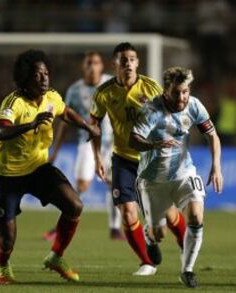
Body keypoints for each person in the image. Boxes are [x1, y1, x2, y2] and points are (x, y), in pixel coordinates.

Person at [0, 49, 100, 284]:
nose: (44, 78)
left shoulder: (51, 97)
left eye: (46, 73)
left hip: (38, 168)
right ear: (26, 77)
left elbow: (66, 112)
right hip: (7, 175)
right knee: (7, 240)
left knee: (74, 205)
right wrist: (30, 125)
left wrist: (87, 127)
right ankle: (3, 265)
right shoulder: (14, 102)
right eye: (38, 75)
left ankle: (56, 257)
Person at [90, 42, 186, 276]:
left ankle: (187, 249)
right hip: (122, 159)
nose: (128, 63)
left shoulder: (151, 88)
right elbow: (94, 125)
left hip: (151, 160)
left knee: (168, 216)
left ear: (138, 63)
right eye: (123, 60)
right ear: (115, 64)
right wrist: (96, 158)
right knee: (127, 211)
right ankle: (147, 263)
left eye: (132, 59)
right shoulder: (104, 93)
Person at [129, 67, 223, 288]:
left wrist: (216, 166)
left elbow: (212, 135)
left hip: (184, 172)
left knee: (196, 216)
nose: (181, 97)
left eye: (185, 91)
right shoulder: (151, 110)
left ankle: (187, 270)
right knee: (159, 232)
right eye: (176, 92)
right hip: (152, 180)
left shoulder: (194, 105)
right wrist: (154, 144)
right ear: (166, 90)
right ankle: (150, 235)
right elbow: (133, 140)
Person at [44, 51, 124, 241]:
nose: (92, 67)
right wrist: (55, 150)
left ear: (101, 66)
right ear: (83, 67)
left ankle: (115, 229)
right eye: (88, 63)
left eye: (95, 63)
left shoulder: (112, 85)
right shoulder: (74, 90)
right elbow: (64, 121)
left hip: (112, 144)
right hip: (87, 143)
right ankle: (60, 226)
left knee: (116, 186)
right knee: (81, 184)